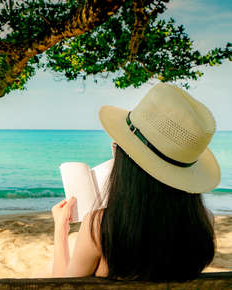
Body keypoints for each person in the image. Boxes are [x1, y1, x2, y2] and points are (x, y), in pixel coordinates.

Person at [52, 83, 219, 282]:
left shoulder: (100, 227)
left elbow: (61, 286)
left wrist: (60, 229)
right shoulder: (204, 222)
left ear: (125, 159)